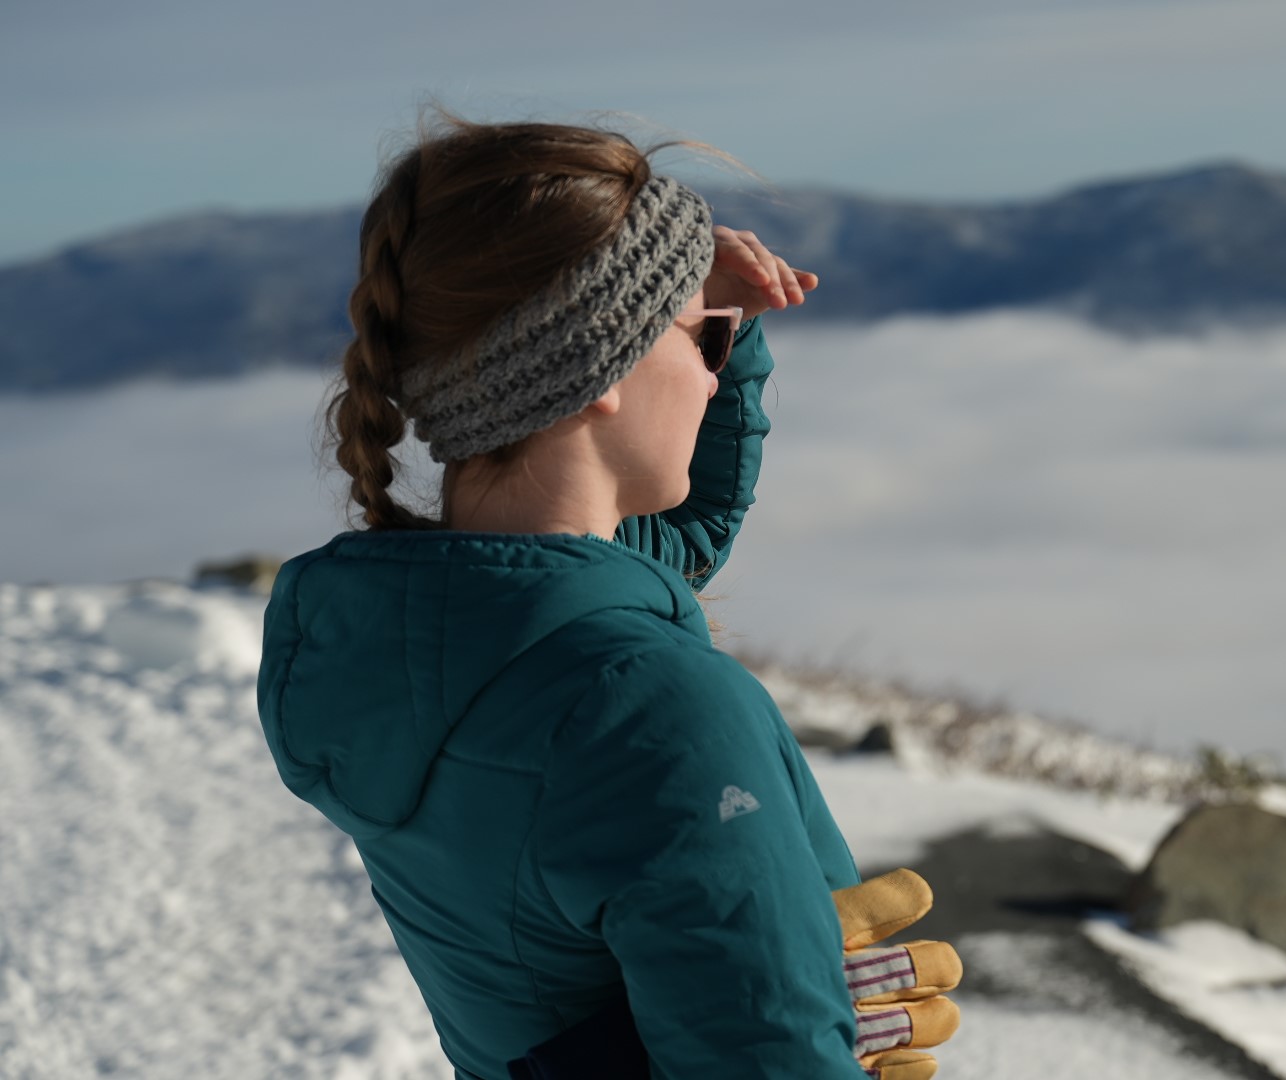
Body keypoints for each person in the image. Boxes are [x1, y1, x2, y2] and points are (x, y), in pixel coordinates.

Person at [255, 108, 959, 1079]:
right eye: (703, 343)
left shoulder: (423, 647)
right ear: (600, 365)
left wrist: (723, 328)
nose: (710, 380)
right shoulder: (651, 707)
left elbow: (662, 547)